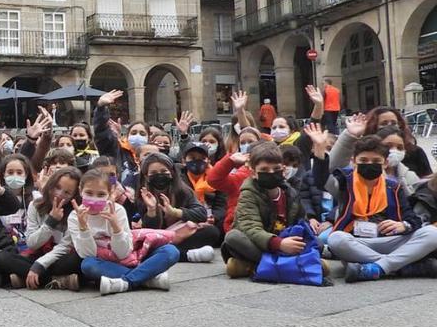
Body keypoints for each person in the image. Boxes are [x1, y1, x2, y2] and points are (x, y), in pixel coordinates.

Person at [326, 119, 437, 282]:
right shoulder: (344, 182)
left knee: (431, 233)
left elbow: (412, 219)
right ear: (353, 161)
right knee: (336, 239)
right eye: (363, 161)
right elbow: (323, 176)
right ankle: (402, 267)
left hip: (391, 239)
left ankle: (377, 268)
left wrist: (403, 225)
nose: (369, 165)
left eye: (376, 161)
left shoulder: (394, 187)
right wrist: (341, 140)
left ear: (385, 163)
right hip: (359, 242)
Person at [73, 169, 184, 294]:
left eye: (101, 195)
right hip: (106, 264)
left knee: (171, 251)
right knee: (88, 265)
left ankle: (126, 282)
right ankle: (147, 279)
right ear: (80, 191)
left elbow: (123, 253)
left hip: (133, 256)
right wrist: (83, 228)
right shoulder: (74, 216)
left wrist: (115, 227)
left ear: (109, 194)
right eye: (89, 193)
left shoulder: (118, 210)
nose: (94, 199)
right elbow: (87, 254)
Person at [221, 142, 311, 278]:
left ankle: (252, 266)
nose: (271, 173)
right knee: (233, 237)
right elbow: (250, 228)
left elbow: (301, 221)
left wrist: (299, 239)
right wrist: (279, 244)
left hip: (285, 239)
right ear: (253, 173)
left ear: (283, 169)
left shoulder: (290, 192)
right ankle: (288, 264)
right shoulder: (248, 193)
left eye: (276, 169)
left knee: (317, 243)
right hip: (261, 244)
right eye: (264, 170)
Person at [136, 153, 219, 262]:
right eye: (154, 173)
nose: (160, 175)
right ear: (146, 176)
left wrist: (175, 212)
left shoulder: (183, 190)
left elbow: (201, 213)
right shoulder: (143, 195)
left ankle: (162, 253)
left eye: (164, 171)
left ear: (172, 172)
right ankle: (186, 255)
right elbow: (150, 230)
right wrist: (151, 210)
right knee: (146, 246)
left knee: (211, 232)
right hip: (157, 237)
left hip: (180, 234)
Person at [24, 166, 82, 290]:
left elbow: (65, 247)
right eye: (57, 187)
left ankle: (32, 278)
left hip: (60, 258)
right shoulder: (35, 205)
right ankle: (58, 280)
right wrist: (50, 222)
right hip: (38, 253)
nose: (59, 194)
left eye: (67, 192)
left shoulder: (75, 212)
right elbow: (32, 243)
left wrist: (40, 265)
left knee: (79, 259)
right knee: (6, 258)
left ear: (73, 196)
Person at [366, 107, 433, 179]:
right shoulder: (365, 152)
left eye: (394, 123)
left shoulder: (415, 151)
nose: (389, 126)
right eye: (384, 123)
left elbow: (428, 178)